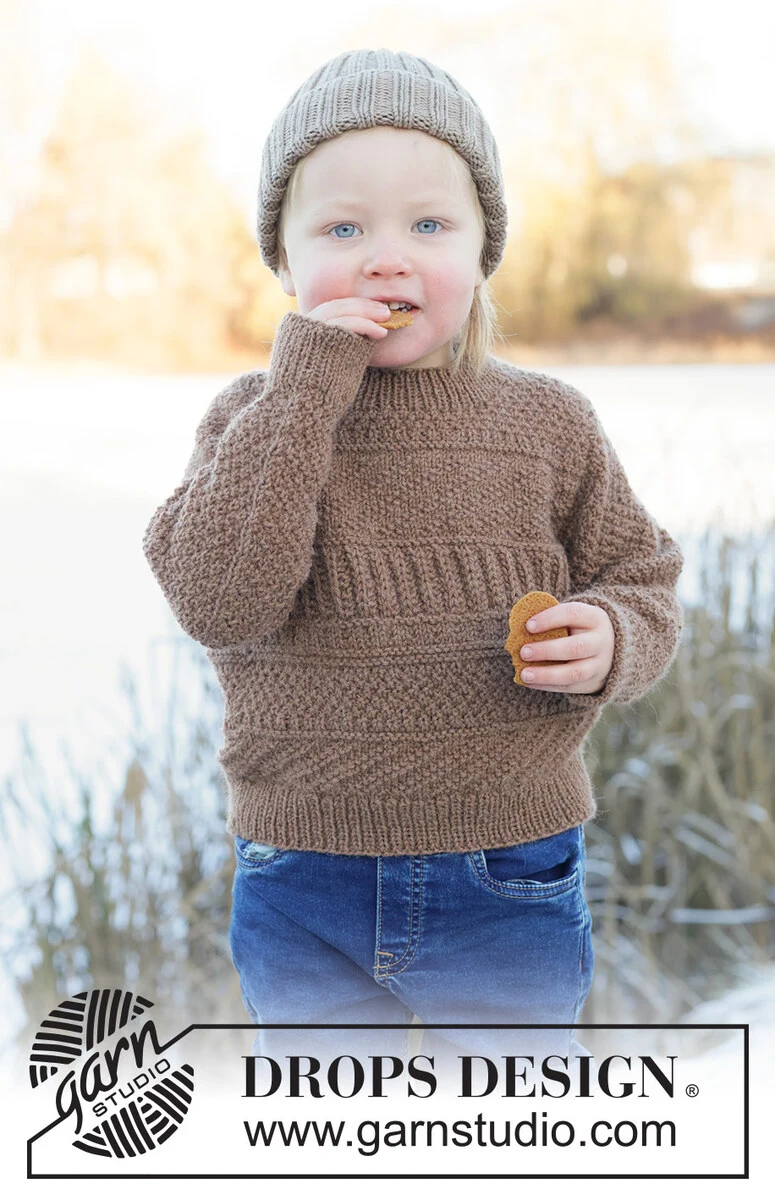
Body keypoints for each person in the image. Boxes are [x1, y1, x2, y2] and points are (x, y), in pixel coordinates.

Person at [142, 48, 684, 1087]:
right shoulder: (251, 422)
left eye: (429, 226)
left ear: (483, 251)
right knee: (322, 1126)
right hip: (303, 872)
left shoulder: (547, 423)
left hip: (507, 865)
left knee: (513, 1123)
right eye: (342, 230)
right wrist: (302, 390)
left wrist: (614, 636)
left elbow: (640, 575)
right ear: (284, 259)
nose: (385, 260)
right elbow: (221, 600)